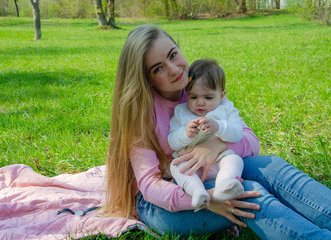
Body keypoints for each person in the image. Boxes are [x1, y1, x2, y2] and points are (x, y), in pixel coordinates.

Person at [104, 24, 331, 239]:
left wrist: (217, 145)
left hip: (213, 169)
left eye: (173, 55)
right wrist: (207, 199)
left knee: (272, 165)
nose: (174, 70)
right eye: (158, 68)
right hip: (164, 203)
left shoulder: (199, 88)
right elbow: (150, 187)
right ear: (147, 79)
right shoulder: (141, 115)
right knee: (247, 192)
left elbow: (250, 140)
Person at [168, 59, 245, 208]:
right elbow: (172, 141)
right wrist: (186, 134)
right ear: (187, 93)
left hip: (219, 159)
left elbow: (237, 133)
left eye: (208, 97)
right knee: (175, 166)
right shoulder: (181, 112)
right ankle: (197, 192)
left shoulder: (226, 108)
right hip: (191, 165)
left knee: (234, 159)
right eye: (194, 97)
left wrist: (219, 127)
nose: (200, 103)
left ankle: (225, 186)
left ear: (222, 95)